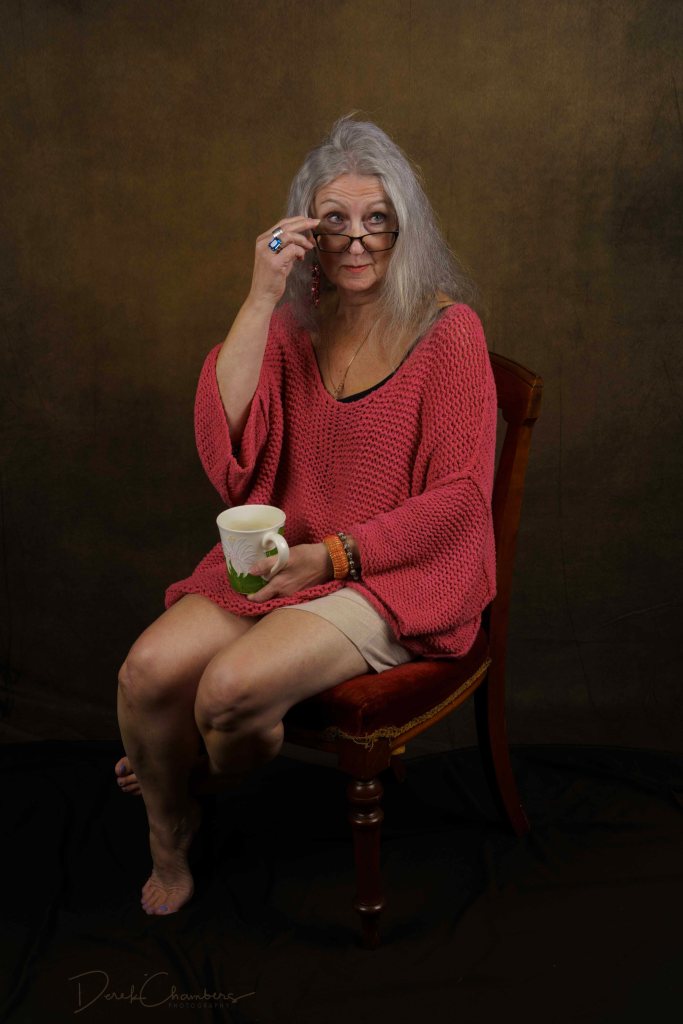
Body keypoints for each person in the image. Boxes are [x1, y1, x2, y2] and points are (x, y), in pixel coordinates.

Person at [115, 116, 497, 916]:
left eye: (376, 219)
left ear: (403, 226)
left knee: (226, 694)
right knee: (146, 673)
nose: (355, 241)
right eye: (334, 220)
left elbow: (460, 500)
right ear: (305, 231)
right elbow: (227, 448)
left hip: (391, 574)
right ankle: (167, 829)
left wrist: (333, 557)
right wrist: (261, 296)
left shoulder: (447, 331)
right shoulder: (296, 324)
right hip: (287, 552)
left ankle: (186, 773)